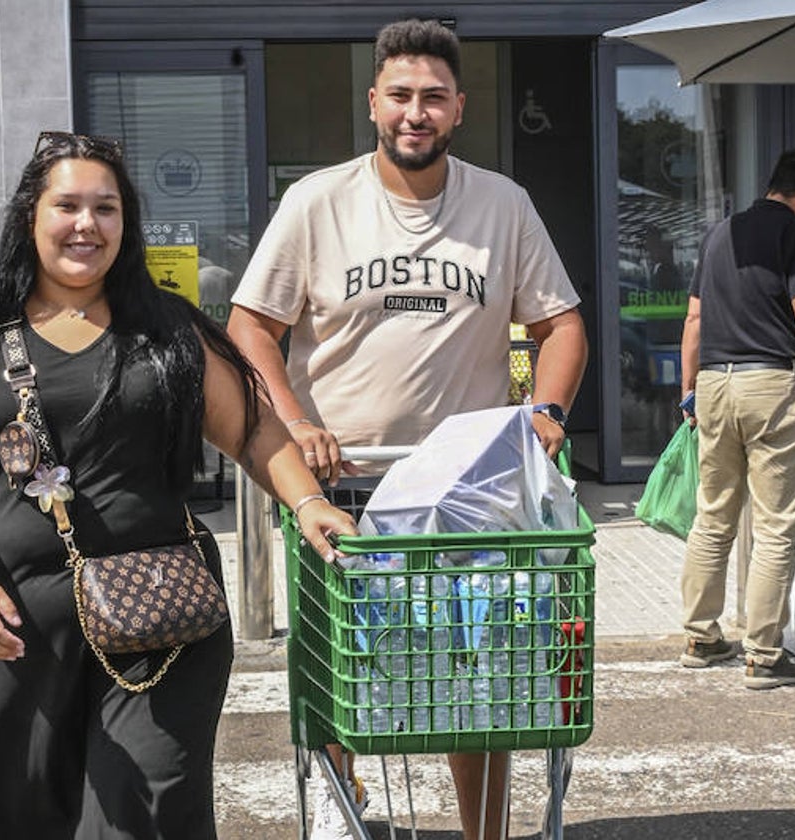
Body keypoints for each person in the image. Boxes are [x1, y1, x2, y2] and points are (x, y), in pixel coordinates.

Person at [0, 130, 355, 839]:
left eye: (106, 208)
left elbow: (254, 429)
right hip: (15, 626)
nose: (87, 225)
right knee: (16, 810)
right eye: (67, 205)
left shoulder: (170, 333)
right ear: (29, 218)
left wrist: (309, 500)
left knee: (146, 810)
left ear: (126, 223)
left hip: (162, 615)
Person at [226, 18, 587, 840]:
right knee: (342, 671)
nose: (414, 113)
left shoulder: (503, 204)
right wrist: (295, 422)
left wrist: (547, 412)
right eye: (400, 96)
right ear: (372, 105)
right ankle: (339, 802)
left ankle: (482, 831)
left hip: (472, 493)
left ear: (459, 108)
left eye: (432, 98)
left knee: (475, 677)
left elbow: (561, 325)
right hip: (344, 482)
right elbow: (250, 327)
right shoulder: (318, 202)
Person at [678, 148, 795, 690]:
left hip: (714, 382)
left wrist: (688, 391)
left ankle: (701, 638)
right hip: (772, 384)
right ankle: (763, 654)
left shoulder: (719, 233)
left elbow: (695, 318)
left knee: (713, 516)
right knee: (776, 525)